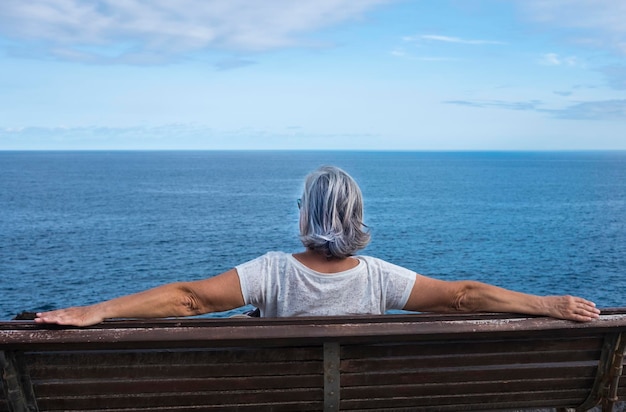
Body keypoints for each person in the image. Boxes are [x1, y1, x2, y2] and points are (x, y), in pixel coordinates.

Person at [35, 165, 600, 326]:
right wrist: (550, 304)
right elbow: (464, 297)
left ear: (306, 214)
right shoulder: (379, 277)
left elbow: (189, 301)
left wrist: (96, 310)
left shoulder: (273, 272)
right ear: (356, 217)